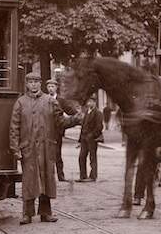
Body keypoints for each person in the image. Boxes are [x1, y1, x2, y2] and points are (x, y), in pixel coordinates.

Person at [9, 71, 79, 224]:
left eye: (36, 82)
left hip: (47, 147)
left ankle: (46, 213)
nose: (33, 85)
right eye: (30, 82)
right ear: (27, 84)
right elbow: (14, 127)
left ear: (40, 84)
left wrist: (76, 119)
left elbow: (60, 122)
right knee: (29, 180)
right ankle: (27, 214)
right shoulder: (20, 102)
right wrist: (15, 148)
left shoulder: (50, 101)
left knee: (46, 178)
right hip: (28, 148)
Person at [77, 95, 103, 181]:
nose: (89, 103)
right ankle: (83, 176)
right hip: (84, 139)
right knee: (81, 157)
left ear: (95, 102)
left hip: (92, 139)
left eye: (91, 101)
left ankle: (93, 176)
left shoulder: (98, 113)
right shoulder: (86, 112)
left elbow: (99, 127)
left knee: (92, 158)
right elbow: (83, 126)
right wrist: (80, 139)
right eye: (88, 101)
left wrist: (91, 135)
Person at [45, 78, 66, 182]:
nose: (50, 89)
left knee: (58, 154)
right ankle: (49, 176)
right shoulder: (44, 99)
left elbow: (69, 111)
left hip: (57, 132)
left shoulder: (61, 100)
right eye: (49, 86)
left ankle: (61, 176)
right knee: (47, 154)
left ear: (56, 88)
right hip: (46, 131)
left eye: (52, 86)